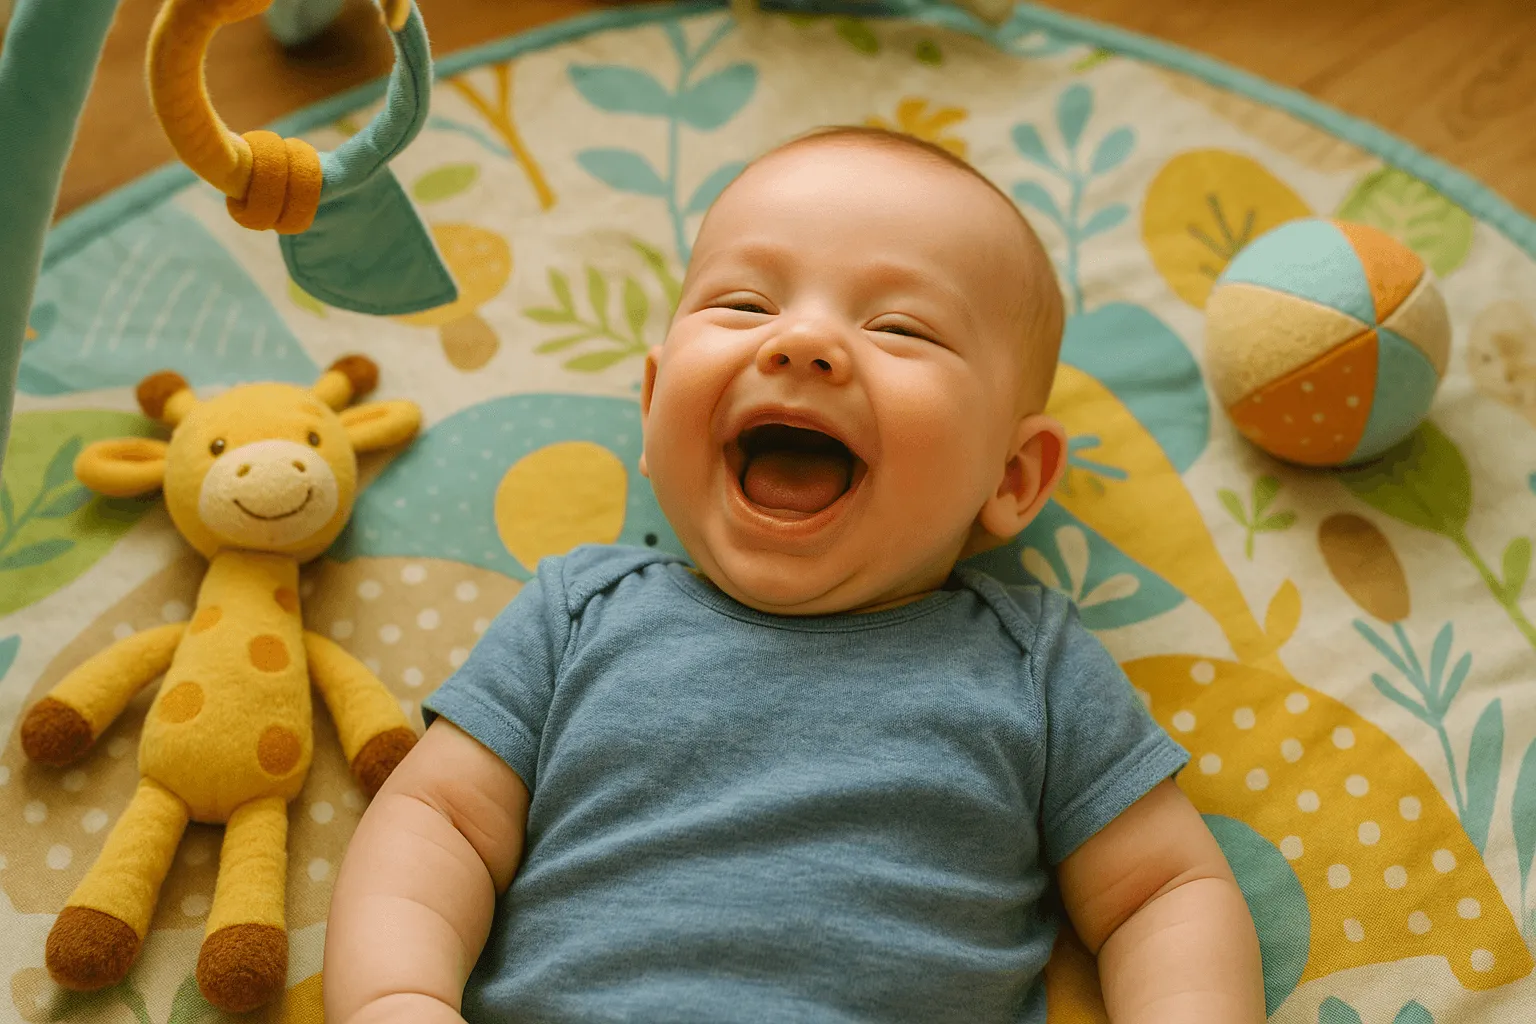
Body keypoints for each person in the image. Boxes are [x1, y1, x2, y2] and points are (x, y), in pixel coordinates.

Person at [323, 125, 1265, 1024]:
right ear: (653, 407)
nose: (802, 344)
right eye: (746, 305)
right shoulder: (579, 617)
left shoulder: (1031, 671)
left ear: (1012, 478)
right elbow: (439, 819)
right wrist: (395, 998)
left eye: (901, 328)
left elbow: (1161, 891)